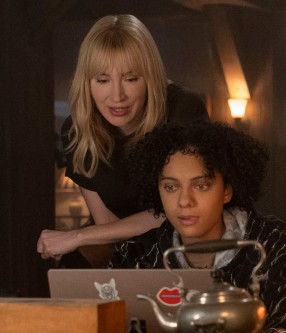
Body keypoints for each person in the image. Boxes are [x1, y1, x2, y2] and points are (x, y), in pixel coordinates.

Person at [109, 121, 286, 333]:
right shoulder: (136, 254)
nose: (184, 201)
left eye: (201, 185)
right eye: (171, 187)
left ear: (227, 190)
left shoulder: (270, 243)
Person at [37, 14, 208, 262]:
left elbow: (184, 211)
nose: (117, 96)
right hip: (130, 249)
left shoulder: (184, 109)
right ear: (87, 83)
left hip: (191, 244)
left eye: (131, 79)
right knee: (72, 264)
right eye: (103, 80)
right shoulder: (76, 131)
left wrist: (78, 235)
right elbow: (106, 225)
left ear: (150, 78)